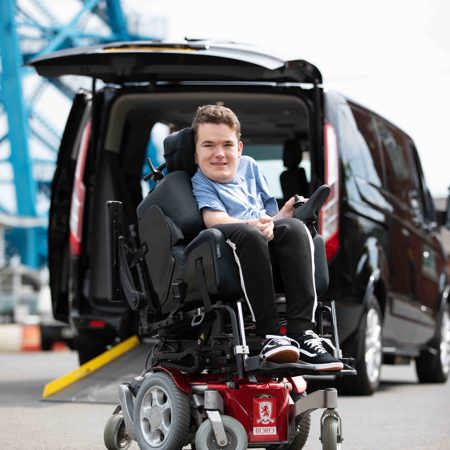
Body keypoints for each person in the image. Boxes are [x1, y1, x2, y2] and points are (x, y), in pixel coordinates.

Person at [191, 104, 342, 371]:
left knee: (295, 228)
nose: (219, 154)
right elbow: (212, 219)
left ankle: (302, 333)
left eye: (227, 145)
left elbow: (268, 216)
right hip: (232, 244)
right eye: (208, 145)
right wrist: (255, 224)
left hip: (262, 237)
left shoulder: (250, 167)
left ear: (239, 148)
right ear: (196, 151)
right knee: (249, 234)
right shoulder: (200, 181)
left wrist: (283, 216)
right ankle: (270, 336)